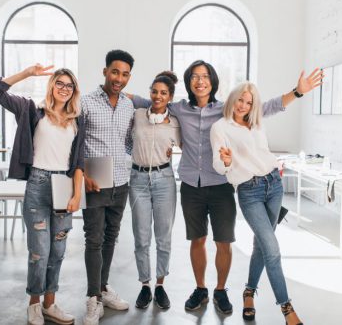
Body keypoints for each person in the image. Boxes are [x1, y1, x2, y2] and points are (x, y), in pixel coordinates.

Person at [131, 60, 323, 314]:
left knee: (224, 241)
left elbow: (264, 109)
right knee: (197, 240)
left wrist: (297, 92)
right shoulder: (179, 108)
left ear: (212, 81)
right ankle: (201, 289)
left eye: (205, 76)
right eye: (195, 77)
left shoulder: (226, 110)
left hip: (221, 185)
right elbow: (151, 102)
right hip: (191, 185)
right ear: (189, 82)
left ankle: (220, 290)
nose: (200, 81)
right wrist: (120, 93)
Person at [211, 82, 317, 324]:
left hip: (273, 185)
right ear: (232, 99)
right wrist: (225, 161)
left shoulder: (256, 121)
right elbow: (219, 166)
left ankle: (249, 293)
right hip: (249, 192)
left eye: (249, 102)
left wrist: (297, 91)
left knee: (261, 245)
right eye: (240, 100)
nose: (243, 106)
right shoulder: (220, 127)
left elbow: (274, 108)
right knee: (272, 249)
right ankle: (287, 308)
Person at [0, 64, 85, 325]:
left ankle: (50, 305)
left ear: (74, 90)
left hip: (64, 185)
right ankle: (34, 304)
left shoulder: (77, 119)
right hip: (38, 184)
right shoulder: (32, 111)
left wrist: (77, 194)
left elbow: (79, 163)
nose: (64, 89)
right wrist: (28, 73)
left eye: (69, 85)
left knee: (58, 251)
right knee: (39, 251)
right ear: (52, 85)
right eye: (60, 83)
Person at [80, 50, 136, 325]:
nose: (119, 78)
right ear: (105, 71)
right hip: (95, 178)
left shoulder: (128, 105)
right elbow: (75, 141)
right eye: (115, 72)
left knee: (111, 238)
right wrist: (82, 171)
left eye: (125, 74)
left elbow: (127, 139)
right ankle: (93, 298)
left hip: (120, 181)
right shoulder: (87, 102)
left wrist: (125, 160)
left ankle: (102, 289)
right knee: (94, 239)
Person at [129, 71, 181, 309]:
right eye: (154, 91)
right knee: (141, 237)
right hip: (138, 179)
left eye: (163, 93)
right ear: (149, 93)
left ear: (170, 97)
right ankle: (145, 285)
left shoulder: (175, 123)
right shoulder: (138, 114)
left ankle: (160, 285)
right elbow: (127, 139)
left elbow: (191, 146)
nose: (158, 96)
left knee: (163, 236)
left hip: (164, 180)